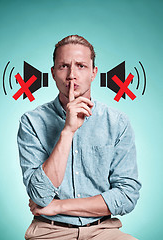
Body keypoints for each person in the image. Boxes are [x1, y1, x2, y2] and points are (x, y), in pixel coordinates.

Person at [17, 35, 141, 240]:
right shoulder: (32, 122)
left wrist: (58, 206)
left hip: (103, 230)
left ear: (93, 74)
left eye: (81, 66)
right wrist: (67, 131)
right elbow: (40, 195)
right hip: (50, 231)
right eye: (64, 66)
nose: (72, 75)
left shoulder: (117, 122)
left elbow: (127, 196)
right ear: (53, 73)